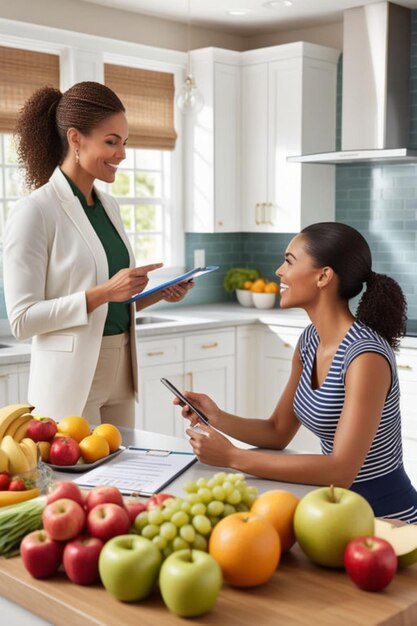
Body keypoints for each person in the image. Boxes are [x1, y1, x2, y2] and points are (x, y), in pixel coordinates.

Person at [179, 222, 417, 522]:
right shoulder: (310, 341)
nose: (279, 271)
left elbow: (341, 471)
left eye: (289, 262)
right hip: (334, 512)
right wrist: (216, 417)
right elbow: (278, 430)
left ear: (323, 276)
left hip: (386, 519)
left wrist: (233, 457)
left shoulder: (365, 355)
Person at [3, 81, 193, 427]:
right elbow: (22, 320)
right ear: (75, 139)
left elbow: (110, 304)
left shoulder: (109, 206)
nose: (121, 154)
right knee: (78, 479)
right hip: (71, 377)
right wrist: (105, 291)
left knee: (122, 477)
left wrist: (154, 295)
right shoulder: (36, 211)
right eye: (111, 142)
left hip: (121, 369)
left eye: (124, 143)